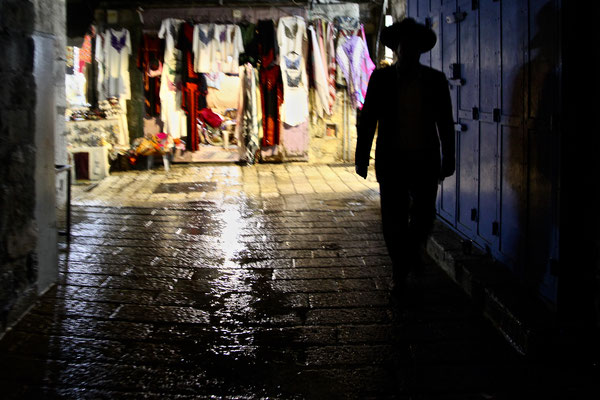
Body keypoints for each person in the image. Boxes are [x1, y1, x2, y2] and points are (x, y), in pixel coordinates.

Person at [355, 18, 455, 293]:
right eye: (404, 44)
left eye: (413, 44)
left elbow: (445, 122)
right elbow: (368, 120)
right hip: (392, 161)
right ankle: (401, 267)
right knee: (392, 219)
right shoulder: (381, 78)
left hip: (425, 160)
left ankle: (411, 252)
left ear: (421, 49)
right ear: (397, 48)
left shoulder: (435, 80)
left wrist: (450, 157)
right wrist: (361, 157)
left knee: (424, 216)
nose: (408, 49)